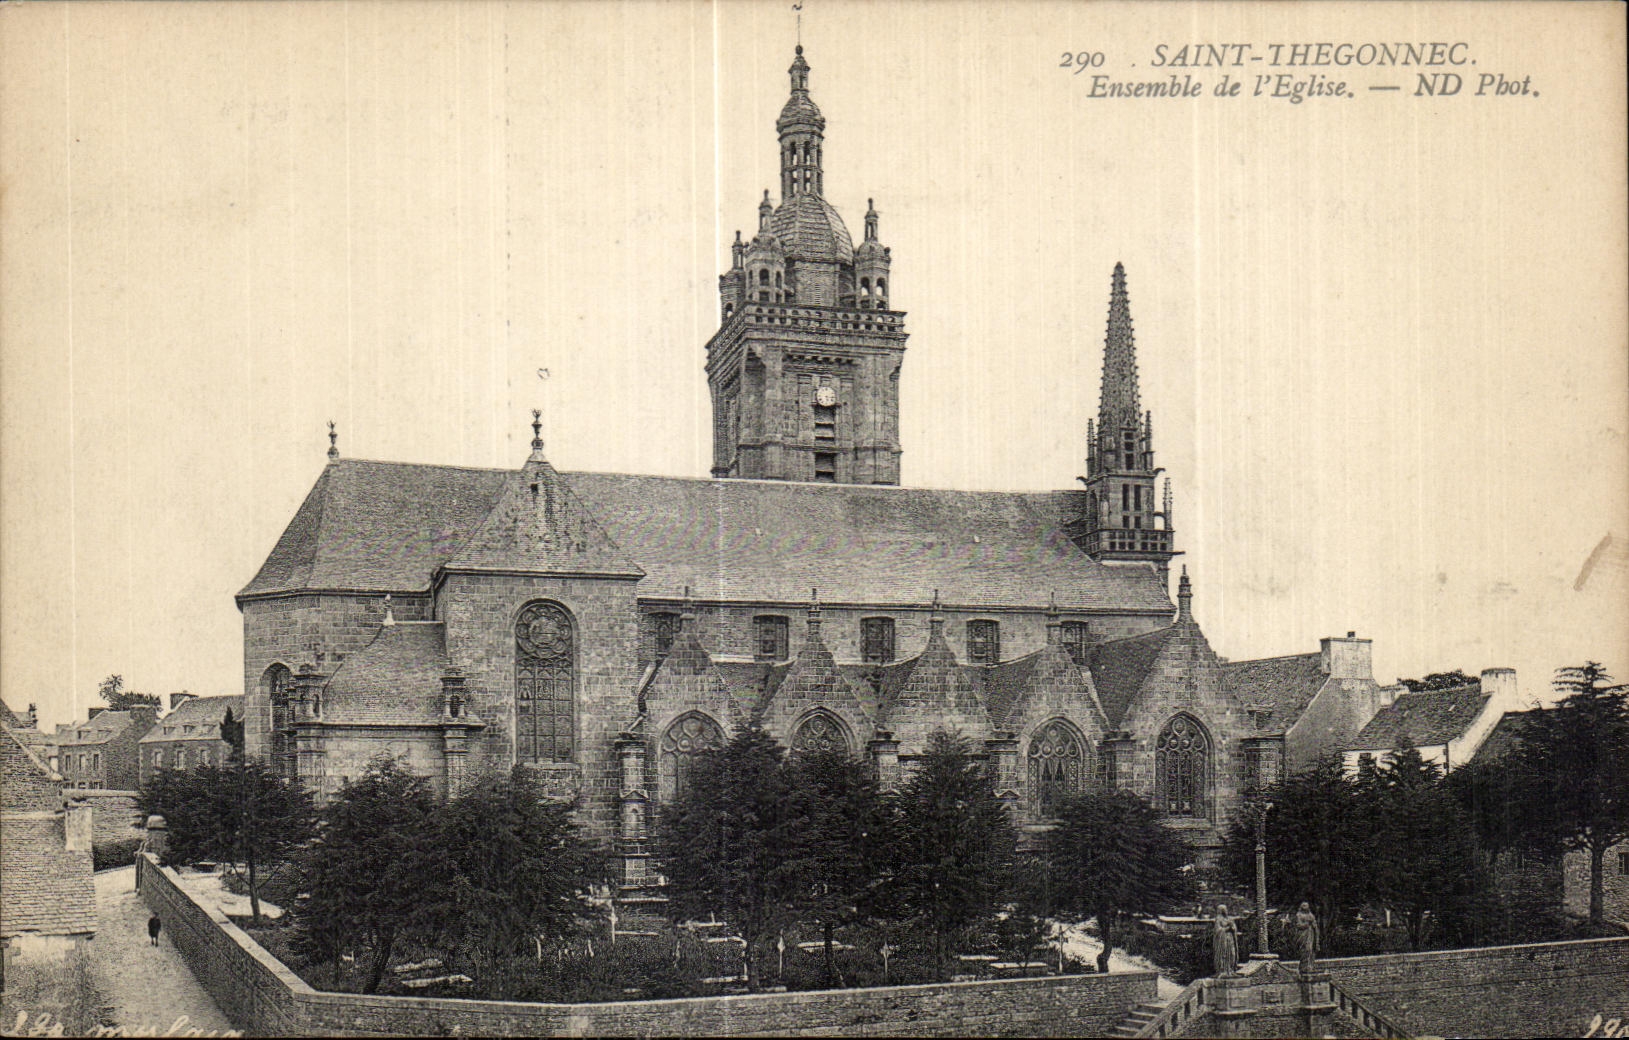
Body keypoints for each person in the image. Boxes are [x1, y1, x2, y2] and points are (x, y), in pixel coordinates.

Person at [1211, 905, 1239, 977]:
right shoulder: (1218, 919)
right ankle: (1222, 971)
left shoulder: (1229, 919)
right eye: (1224, 909)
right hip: (1222, 941)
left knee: (1232, 953)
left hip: (1230, 939)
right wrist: (1227, 928)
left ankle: (1231, 970)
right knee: (1223, 954)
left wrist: (1233, 928)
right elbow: (1217, 930)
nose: (1226, 910)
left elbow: (1234, 928)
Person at [1295, 902, 1320, 974]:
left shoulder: (1310, 915)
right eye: (1303, 905)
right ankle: (1304, 967)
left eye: (1306, 905)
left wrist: (1314, 925)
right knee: (1305, 950)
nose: (1305, 907)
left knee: (1311, 950)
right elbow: (1299, 925)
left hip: (1311, 935)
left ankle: (1310, 966)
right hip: (1303, 935)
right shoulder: (1299, 915)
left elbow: (1315, 924)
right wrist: (1307, 924)